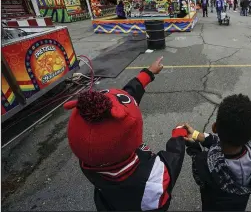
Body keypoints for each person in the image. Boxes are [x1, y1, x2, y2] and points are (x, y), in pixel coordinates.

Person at [65, 57, 187, 211]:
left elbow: (121, 104)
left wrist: (147, 74)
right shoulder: (153, 177)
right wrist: (179, 135)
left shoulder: (88, 162)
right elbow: (173, 159)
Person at [182, 94, 251, 211]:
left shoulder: (204, 163)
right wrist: (195, 134)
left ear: (214, 128)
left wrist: (193, 146)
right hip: (239, 206)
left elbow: (199, 177)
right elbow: (219, 142)